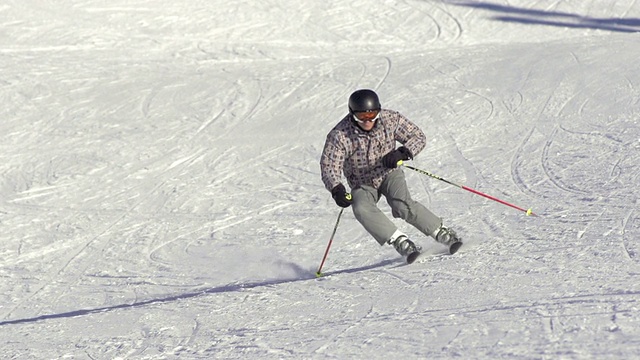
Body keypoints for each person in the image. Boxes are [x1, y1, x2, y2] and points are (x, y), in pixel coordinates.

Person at [320, 89, 461, 261]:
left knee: (401, 204)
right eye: (362, 117)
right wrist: (337, 189)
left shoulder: (391, 119)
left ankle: (442, 233)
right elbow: (329, 165)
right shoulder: (340, 135)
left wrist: (402, 152)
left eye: (372, 115)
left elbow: (418, 136)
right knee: (361, 208)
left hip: (389, 173)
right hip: (361, 182)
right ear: (352, 115)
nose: (368, 121)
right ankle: (400, 242)